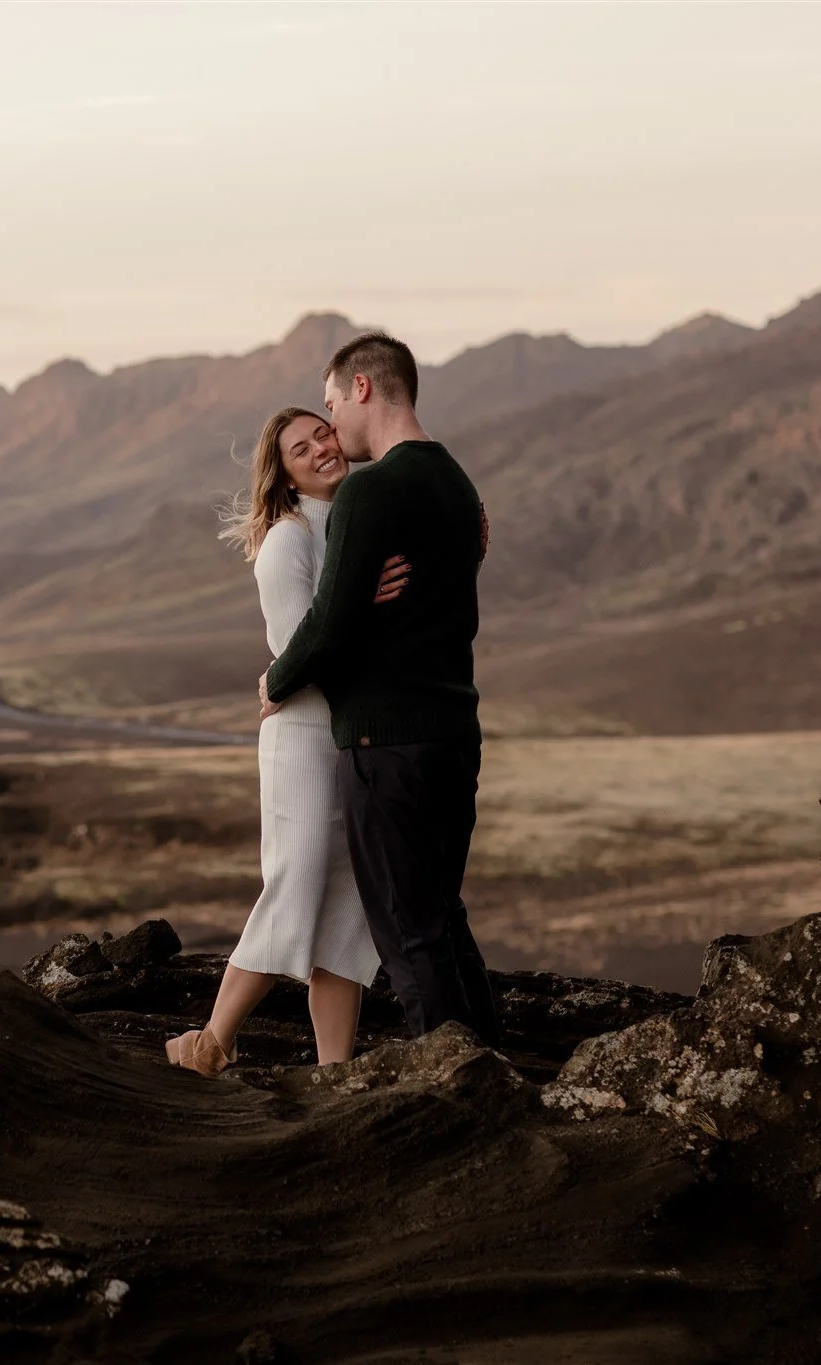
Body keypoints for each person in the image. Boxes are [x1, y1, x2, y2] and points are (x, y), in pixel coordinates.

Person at [261, 332, 504, 1045]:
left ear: (362, 389)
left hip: (387, 744)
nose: (332, 425)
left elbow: (329, 624)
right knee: (444, 920)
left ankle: (452, 1098)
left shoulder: (371, 490)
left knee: (408, 936)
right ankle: (492, 1077)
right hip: (455, 734)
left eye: (332, 404)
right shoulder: (458, 484)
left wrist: (277, 678)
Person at [164, 407, 409, 1076]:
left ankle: (334, 1068)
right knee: (296, 883)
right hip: (302, 739)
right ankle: (211, 1041)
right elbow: (306, 651)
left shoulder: (358, 518)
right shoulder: (288, 541)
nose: (323, 448)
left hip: (350, 736)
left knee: (347, 901)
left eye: (324, 432)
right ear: (285, 470)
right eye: (303, 447)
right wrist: (367, 603)